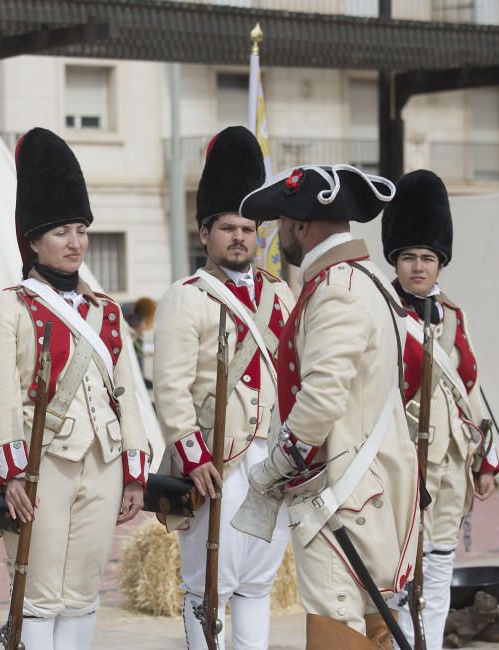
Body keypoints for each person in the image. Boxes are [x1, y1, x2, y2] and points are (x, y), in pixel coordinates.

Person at [0, 127, 149, 649]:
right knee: (39, 593)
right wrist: (11, 475)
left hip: (104, 464)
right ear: (33, 241)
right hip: (39, 467)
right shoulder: (9, 306)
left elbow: (126, 396)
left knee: (84, 593)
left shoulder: (105, 311)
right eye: (61, 232)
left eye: (80, 230)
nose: (75, 243)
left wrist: (134, 471)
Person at [233, 165, 418, 648]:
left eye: (280, 222)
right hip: (360, 487)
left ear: (300, 226)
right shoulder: (365, 279)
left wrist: (273, 468)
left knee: (337, 621)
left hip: (340, 493)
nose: (277, 233)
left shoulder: (338, 288)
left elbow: (322, 398)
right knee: (370, 621)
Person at [154, 126, 295, 649]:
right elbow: (169, 390)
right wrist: (194, 459)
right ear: (204, 233)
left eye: (248, 227)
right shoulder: (186, 297)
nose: (240, 237)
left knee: (259, 584)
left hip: (273, 462)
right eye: (227, 227)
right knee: (206, 587)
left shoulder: (280, 296)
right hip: (219, 464)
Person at [382, 169, 499, 649]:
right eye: (407, 257)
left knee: (438, 565)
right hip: (401, 460)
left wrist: (484, 460)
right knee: (397, 569)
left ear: (439, 262)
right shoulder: (381, 309)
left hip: (450, 463)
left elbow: (469, 387)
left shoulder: (453, 315)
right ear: (395, 260)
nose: (417, 267)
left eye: (426, 258)